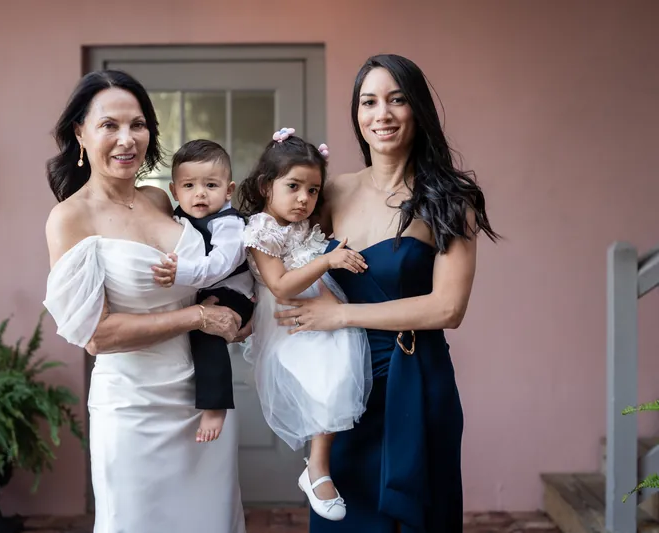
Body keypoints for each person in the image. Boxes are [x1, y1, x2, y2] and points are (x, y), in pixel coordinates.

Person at [274, 55, 499, 533]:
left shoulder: (451, 198)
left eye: (397, 100)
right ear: (357, 115)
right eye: (369, 101)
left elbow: (448, 307)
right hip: (344, 394)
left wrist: (341, 315)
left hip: (418, 381)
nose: (383, 114)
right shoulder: (329, 193)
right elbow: (278, 253)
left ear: (417, 109)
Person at [41, 70, 246, 533]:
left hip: (204, 400)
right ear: (80, 133)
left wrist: (238, 312)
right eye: (109, 125)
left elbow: (218, 266)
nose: (126, 139)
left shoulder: (160, 198)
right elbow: (97, 335)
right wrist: (197, 315)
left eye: (138, 124)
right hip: (133, 410)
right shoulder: (69, 219)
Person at [237, 128, 373, 522]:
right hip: (287, 321)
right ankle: (317, 469)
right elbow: (280, 286)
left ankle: (317, 466)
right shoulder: (261, 230)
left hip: (318, 312)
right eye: (294, 186)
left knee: (338, 373)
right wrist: (327, 261)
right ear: (266, 186)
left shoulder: (301, 224)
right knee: (324, 382)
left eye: (313, 190)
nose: (304, 199)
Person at [150, 139, 255, 443]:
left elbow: (220, 264)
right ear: (174, 191)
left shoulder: (228, 222)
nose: (200, 193)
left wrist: (177, 272)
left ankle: (215, 404)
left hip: (232, 293)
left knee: (204, 334)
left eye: (211, 185)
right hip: (201, 290)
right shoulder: (177, 218)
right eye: (189, 185)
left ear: (229, 189)